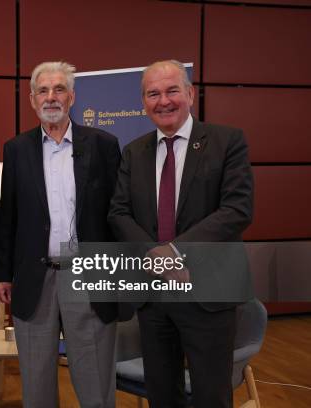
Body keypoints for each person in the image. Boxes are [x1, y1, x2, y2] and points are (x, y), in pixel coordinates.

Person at [109, 59, 254, 408]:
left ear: (190, 94)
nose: (163, 101)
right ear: (143, 103)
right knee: (162, 395)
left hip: (208, 294)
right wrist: (157, 258)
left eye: (172, 90)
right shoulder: (134, 151)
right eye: (153, 94)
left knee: (211, 396)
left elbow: (236, 210)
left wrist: (176, 251)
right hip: (155, 296)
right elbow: (119, 212)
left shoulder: (226, 141)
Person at [0, 61, 121, 407]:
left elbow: (117, 215)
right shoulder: (17, 149)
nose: (51, 97)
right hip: (36, 280)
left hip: (88, 278)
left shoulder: (104, 145)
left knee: (96, 388)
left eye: (59, 89)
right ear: (32, 100)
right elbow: (8, 216)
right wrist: (3, 274)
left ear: (72, 97)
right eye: (43, 90)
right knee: (36, 390)